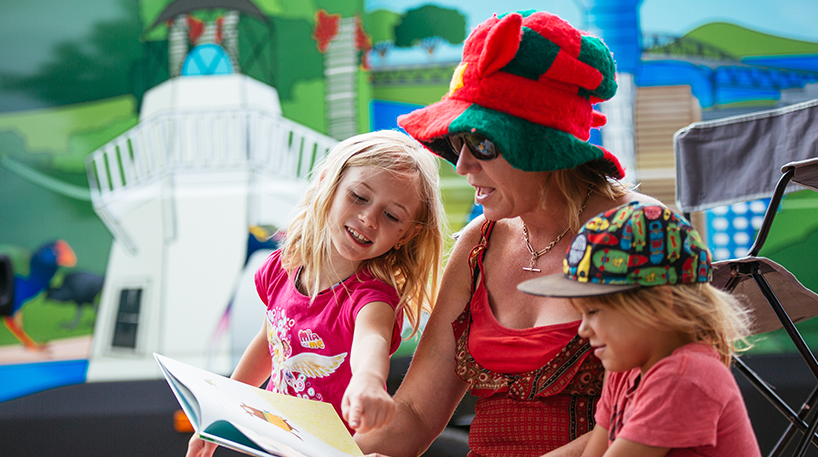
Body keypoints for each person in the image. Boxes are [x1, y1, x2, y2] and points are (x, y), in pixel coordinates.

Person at [355, 9, 662, 457]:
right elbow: (415, 415)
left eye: (482, 143)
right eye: (456, 142)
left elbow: (652, 418)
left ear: (541, 144)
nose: (462, 165)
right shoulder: (477, 244)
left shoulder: (640, 230)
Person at [186, 130, 445, 457]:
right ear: (327, 184)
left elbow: (372, 339)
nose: (368, 219)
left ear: (406, 235)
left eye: (391, 215)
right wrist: (222, 410)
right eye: (359, 196)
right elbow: (270, 341)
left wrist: (368, 380)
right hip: (278, 443)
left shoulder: (372, 297)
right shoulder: (283, 266)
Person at [518, 201, 760, 457]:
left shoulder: (684, 377)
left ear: (659, 305)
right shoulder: (625, 371)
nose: (583, 330)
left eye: (593, 311)